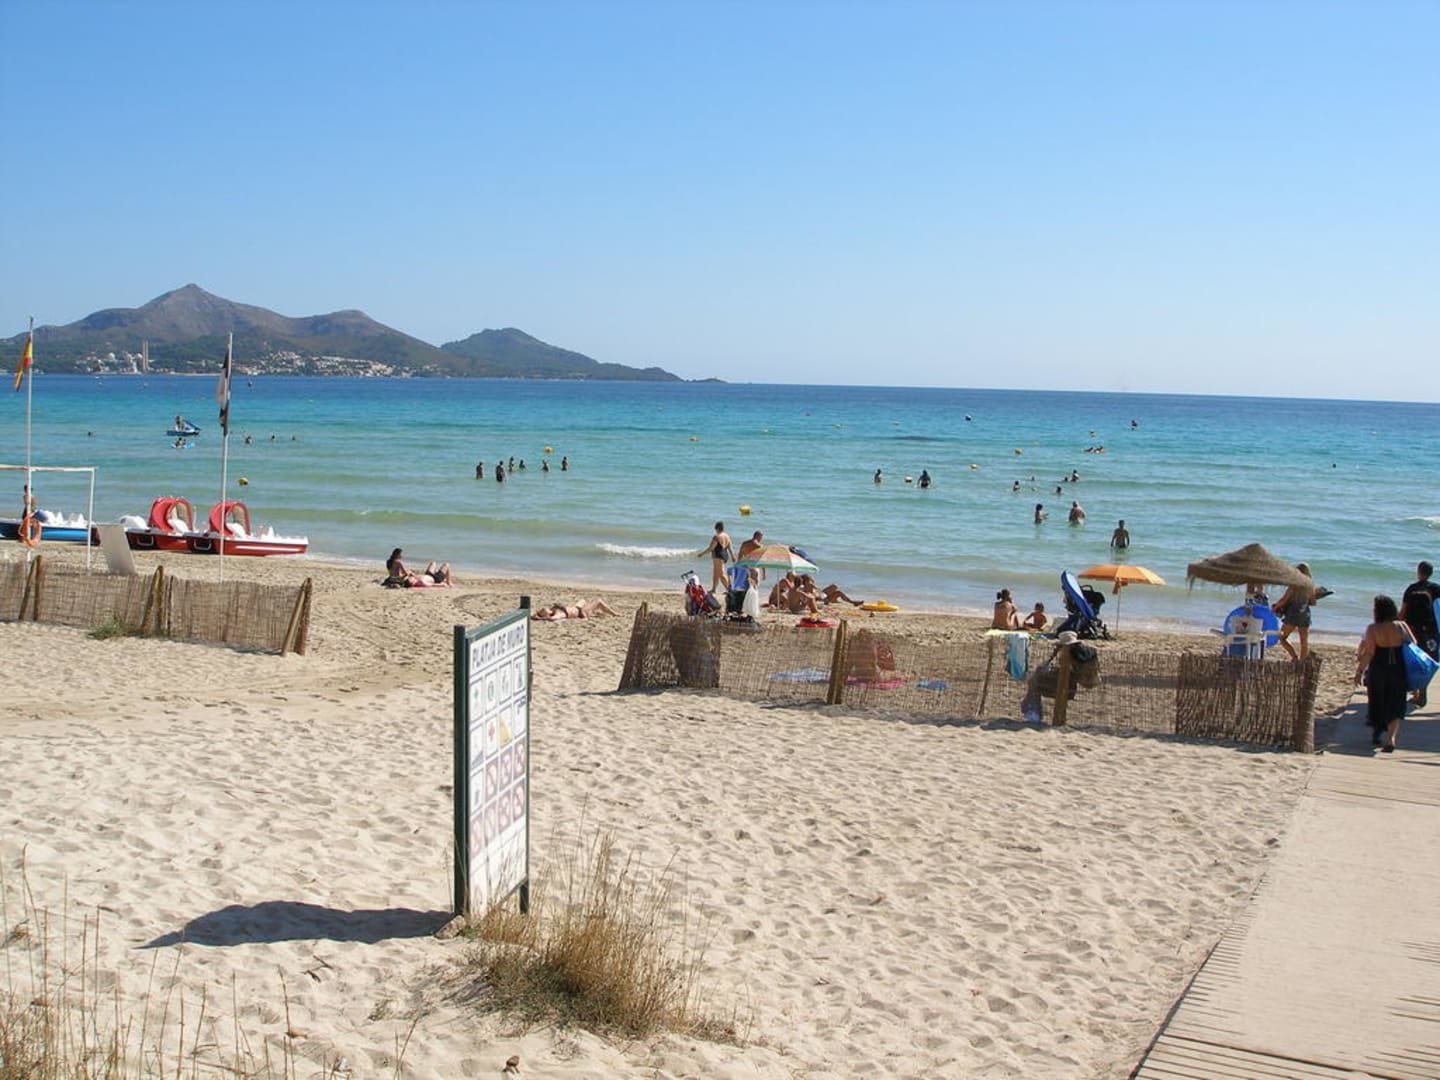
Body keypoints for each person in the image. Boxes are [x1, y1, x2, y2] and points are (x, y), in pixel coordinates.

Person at [1355, 594, 1416, 751]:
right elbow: (1413, 644)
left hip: (1378, 668)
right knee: (1396, 702)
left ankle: (1377, 733)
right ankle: (1391, 738)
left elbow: (1369, 652)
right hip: (1398, 668)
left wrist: (1360, 671)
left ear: (1378, 611)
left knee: (1378, 700)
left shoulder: (1373, 628)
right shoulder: (1401, 625)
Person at [1400, 560, 1440, 706]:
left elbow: (1403, 611)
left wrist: (1396, 624)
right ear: (1431, 573)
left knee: (1414, 660)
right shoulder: (1436, 588)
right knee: (1428, 661)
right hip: (1430, 630)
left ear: (1418, 571)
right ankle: (1421, 694)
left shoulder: (1411, 588)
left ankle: (1417, 693)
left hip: (1413, 630)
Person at [1273, 563, 1323, 662]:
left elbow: (1284, 600)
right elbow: (1313, 603)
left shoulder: (1294, 586)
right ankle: (1301, 663)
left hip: (1293, 613)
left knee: (1282, 638)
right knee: (1304, 642)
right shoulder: (1310, 586)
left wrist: (1275, 607)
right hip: (1305, 613)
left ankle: (1294, 657)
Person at [699, 521, 733, 592]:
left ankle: (729, 590)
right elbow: (730, 548)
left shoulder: (717, 537)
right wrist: (732, 556)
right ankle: (714, 589)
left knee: (721, 574)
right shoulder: (727, 536)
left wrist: (702, 554)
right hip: (724, 555)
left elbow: (711, 548)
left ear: (716, 528)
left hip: (718, 556)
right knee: (716, 573)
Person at [532, 598, 620, 620]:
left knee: (583, 600)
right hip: (581, 612)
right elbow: (552, 619)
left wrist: (535, 615)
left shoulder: (554, 609)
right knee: (598, 601)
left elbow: (533, 615)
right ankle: (614, 614)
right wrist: (540, 618)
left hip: (577, 608)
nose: (544, 609)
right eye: (543, 611)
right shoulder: (557, 614)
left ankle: (595, 612)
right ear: (546, 614)